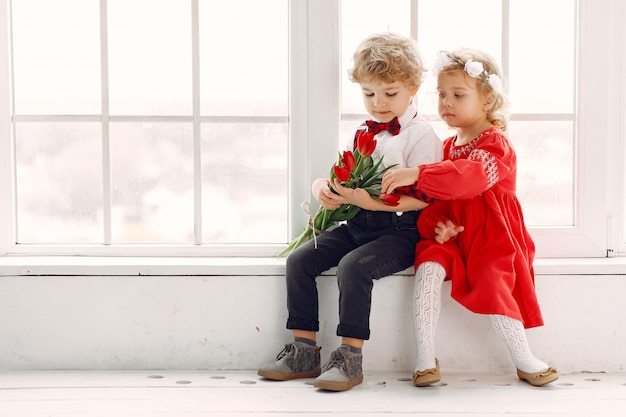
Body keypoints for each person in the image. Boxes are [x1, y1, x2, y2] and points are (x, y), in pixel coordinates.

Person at [257, 32, 442, 392]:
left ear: (413, 87)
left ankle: (349, 357)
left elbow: (424, 198)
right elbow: (343, 174)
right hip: (358, 223)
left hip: (399, 231)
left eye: (389, 93)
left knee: (353, 266)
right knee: (299, 260)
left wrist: (367, 201)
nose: (378, 104)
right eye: (369, 94)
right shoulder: (362, 131)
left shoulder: (422, 136)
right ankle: (304, 350)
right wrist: (325, 191)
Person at [381, 48, 559, 387]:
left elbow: (468, 177)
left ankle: (523, 356)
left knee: (494, 281)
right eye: (442, 94)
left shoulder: (496, 144)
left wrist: (417, 172)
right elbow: (437, 201)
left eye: (458, 95)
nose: (446, 102)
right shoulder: (447, 147)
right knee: (429, 266)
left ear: (488, 100)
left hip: (491, 236)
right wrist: (439, 226)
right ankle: (425, 358)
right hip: (455, 237)